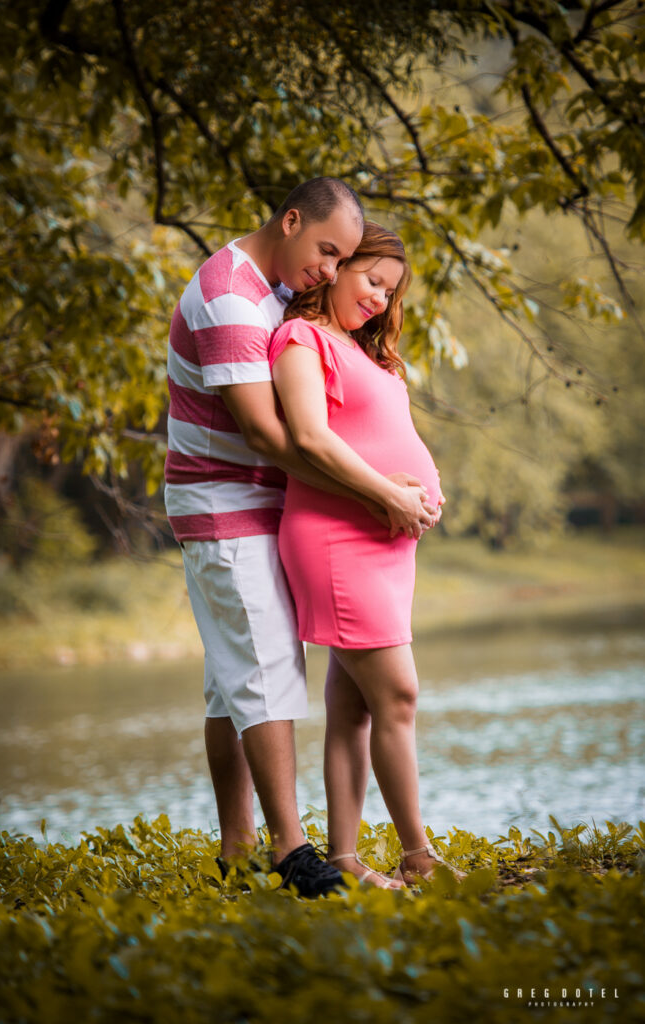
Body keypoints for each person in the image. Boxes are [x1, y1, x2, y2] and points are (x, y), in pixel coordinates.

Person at [164, 180, 436, 897]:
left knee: (232, 682)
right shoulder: (231, 295)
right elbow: (268, 433)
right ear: (290, 221)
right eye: (327, 252)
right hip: (229, 505)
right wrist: (378, 491)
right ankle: (294, 858)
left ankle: (237, 847)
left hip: (264, 504)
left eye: (340, 259)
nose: (328, 270)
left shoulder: (274, 292)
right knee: (265, 674)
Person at [268, 221, 465, 887]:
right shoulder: (303, 339)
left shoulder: (359, 349)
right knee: (399, 694)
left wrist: (412, 497)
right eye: (372, 280)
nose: (381, 299)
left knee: (353, 708)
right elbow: (309, 440)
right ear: (338, 265)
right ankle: (418, 854)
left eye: (391, 291)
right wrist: (390, 492)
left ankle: (347, 859)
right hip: (334, 537)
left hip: (381, 543)